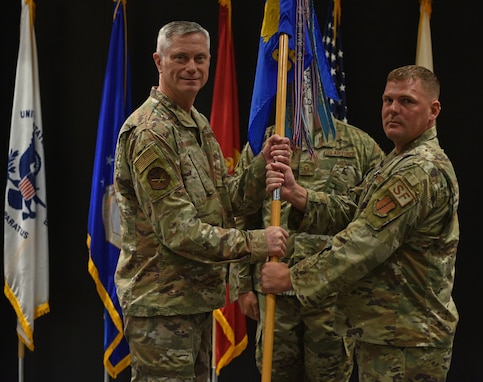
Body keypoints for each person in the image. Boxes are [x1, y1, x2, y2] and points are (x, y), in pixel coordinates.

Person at [113, 21, 290, 382]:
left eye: (200, 58)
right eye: (180, 57)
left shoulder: (195, 122)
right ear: (159, 62)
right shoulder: (152, 132)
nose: (192, 67)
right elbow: (179, 232)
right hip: (160, 308)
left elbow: (223, 204)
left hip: (191, 299)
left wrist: (260, 166)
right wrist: (257, 243)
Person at [261, 64, 460, 381]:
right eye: (388, 100)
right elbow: (355, 208)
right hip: (389, 332)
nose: (393, 109)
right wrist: (298, 194)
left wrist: (292, 278)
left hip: (407, 339)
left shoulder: (419, 169)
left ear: (433, 110)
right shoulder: (398, 160)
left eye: (407, 101)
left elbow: (363, 242)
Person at [233, 84, 384, 381]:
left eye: (309, 81)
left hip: (331, 296)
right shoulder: (265, 143)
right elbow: (242, 213)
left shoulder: (360, 146)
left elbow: (370, 221)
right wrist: (242, 285)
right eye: (293, 84)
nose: (303, 91)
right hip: (275, 292)